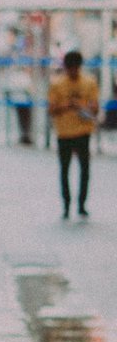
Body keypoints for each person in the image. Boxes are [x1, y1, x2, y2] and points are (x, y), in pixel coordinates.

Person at [47, 49, 99, 220]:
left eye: (75, 68)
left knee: (85, 170)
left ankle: (82, 204)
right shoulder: (57, 85)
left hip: (83, 132)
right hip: (64, 133)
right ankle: (66, 204)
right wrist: (67, 106)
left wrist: (83, 107)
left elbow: (95, 108)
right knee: (65, 170)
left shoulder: (89, 82)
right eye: (70, 68)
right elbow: (51, 110)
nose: (73, 72)